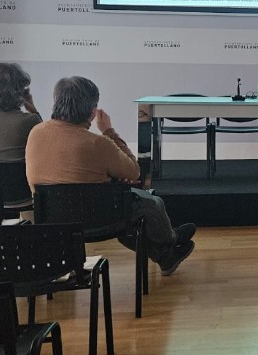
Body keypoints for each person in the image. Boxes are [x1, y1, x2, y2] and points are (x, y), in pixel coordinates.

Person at [26, 76, 196, 276]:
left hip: (51, 219)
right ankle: (171, 241)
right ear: (92, 111)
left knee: (131, 211)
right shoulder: (97, 143)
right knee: (152, 204)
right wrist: (109, 131)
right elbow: (134, 171)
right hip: (99, 218)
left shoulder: (35, 133)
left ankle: (167, 256)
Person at [0, 62, 41, 163]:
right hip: (18, 174)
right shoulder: (30, 121)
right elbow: (45, 144)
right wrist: (33, 110)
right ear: (20, 92)